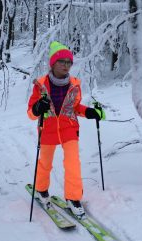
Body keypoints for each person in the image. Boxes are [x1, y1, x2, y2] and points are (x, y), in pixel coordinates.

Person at [27, 41, 105, 219]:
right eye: (61, 61)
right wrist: (38, 107)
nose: (65, 65)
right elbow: (31, 113)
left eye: (68, 62)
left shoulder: (74, 84)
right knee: (45, 163)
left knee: (72, 164)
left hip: (69, 129)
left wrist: (90, 112)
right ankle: (41, 189)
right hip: (47, 130)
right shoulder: (41, 85)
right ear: (52, 63)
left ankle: (73, 198)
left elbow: (75, 107)